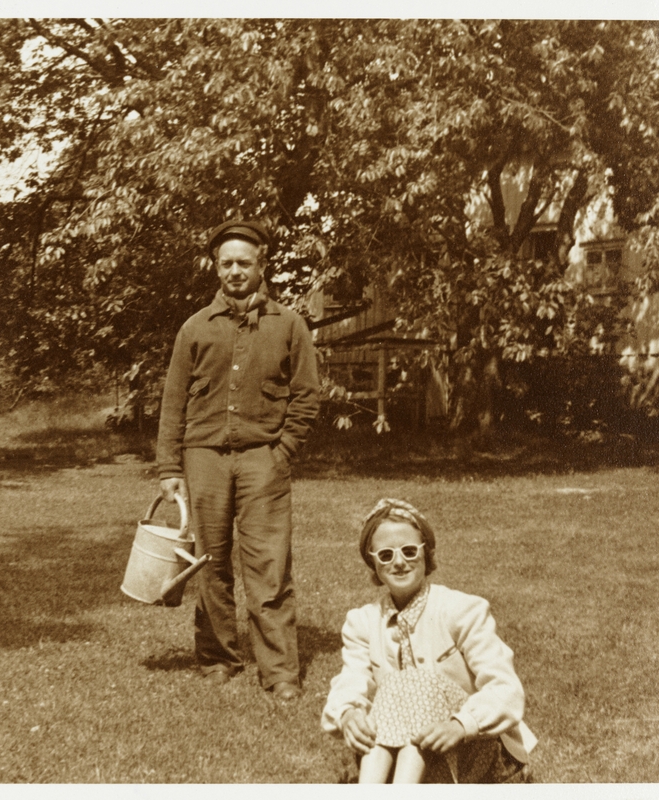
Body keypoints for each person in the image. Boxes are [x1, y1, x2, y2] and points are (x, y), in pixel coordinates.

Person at [156, 219, 320, 703]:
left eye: (243, 263)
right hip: (203, 458)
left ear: (261, 265)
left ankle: (280, 672)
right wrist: (169, 468)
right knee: (209, 563)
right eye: (225, 263)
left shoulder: (289, 324)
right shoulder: (195, 328)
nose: (234, 271)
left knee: (269, 566)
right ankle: (217, 658)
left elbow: (307, 397)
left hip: (263, 460)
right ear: (215, 267)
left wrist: (283, 451)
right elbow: (172, 401)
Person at [321, 499, 537, 783]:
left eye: (409, 551)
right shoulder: (362, 621)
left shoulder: (461, 609)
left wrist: (462, 724)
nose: (399, 562)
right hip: (396, 754)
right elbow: (351, 680)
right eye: (385, 555)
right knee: (396, 689)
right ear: (372, 562)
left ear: (426, 553)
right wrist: (348, 714)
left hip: (471, 748)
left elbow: (505, 689)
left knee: (412, 682)